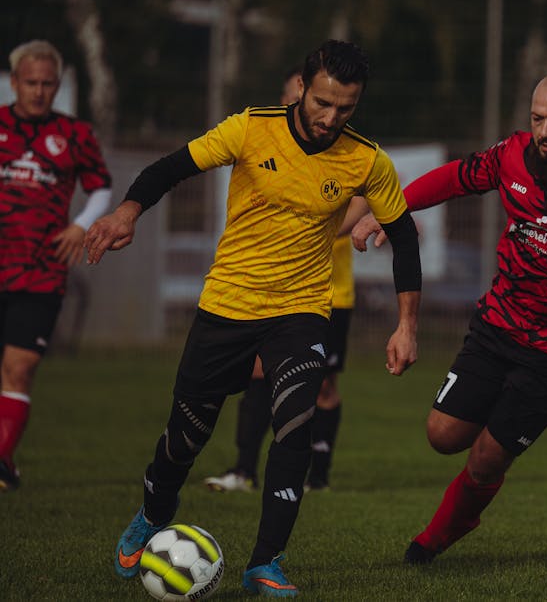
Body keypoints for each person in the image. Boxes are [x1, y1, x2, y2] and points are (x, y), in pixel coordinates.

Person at [84, 40, 421, 597]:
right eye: (322, 103)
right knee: (186, 437)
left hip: (301, 310)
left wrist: (407, 325)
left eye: (345, 109)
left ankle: (265, 563)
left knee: (294, 426)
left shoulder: (367, 160)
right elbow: (171, 167)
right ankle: (152, 513)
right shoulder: (249, 128)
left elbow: (404, 237)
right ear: (300, 88)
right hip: (227, 306)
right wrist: (127, 211)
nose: (331, 118)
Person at [352, 70, 547, 564]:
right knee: (442, 436)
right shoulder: (510, 155)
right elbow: (457, 177)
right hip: (498, 325)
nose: (546, 131)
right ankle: (476, 469)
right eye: (538, 118)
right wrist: (389, 210)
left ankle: (432, 541)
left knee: (485, 458)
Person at [203, 65, 361, 493]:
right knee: (257, 372)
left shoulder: (349, 155)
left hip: (329, 294)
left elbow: (363, 207)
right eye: (308, 98)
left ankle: (319, 476)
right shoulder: (267, 142)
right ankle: (244, 470)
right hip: (270, 290)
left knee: (323, 385)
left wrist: (310, 224)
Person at [0, 40, 112, 492]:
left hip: (41, 271)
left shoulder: (75, 133)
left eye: (48, 84)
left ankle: (1, 459)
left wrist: (81, 225)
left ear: (58, 85)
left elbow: (101, 185)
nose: (39, 91)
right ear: (14, 83)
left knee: (20, 367)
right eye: (31, 82)